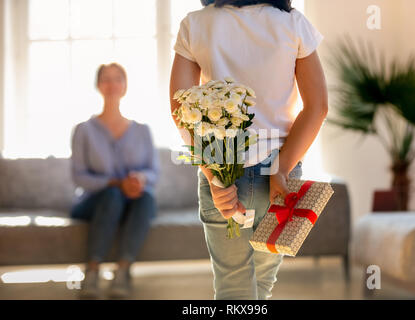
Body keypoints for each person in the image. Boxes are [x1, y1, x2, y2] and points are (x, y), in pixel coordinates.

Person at [170, 0, 328, 299]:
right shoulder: (293, 24)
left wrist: (215, 178)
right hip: (280, 178)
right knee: (261, 288)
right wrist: (280, 169)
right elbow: (317, 107)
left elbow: (180, 108)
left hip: (224, 173)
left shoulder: (195, 24)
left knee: (233, 290)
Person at [70, 62, 160, 299]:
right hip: (94, 202)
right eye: (106, 79)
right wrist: (116, 184)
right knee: (112, 196)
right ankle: (92, 271)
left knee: (147, 197)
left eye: (117, 78)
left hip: (134, 200)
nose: (111, 84)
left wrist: (139, 179)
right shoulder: (84, 130)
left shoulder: (142, 130)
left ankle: (123, 270)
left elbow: (153, 172)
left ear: (125, 86)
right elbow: (78, 177)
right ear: (98, 85)